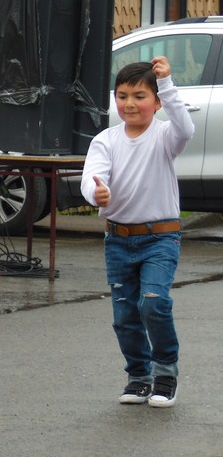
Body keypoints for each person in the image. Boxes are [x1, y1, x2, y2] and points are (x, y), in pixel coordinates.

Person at [80, 56, 194, 409]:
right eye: (122, 95)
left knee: (153, 302)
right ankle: (139, 376)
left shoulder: (166, 136)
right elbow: (92, 176)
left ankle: (165, 374)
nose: (130, 103)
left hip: (161, 237)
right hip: (118, 240)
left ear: (157, 102)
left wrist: (167, 83)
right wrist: (95, 193)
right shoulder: (105, 140)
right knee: (125, 315)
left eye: (140, 96)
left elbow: (186, 128)